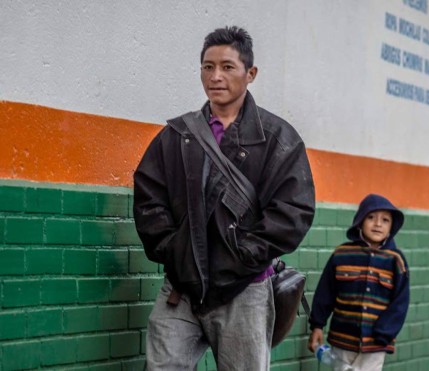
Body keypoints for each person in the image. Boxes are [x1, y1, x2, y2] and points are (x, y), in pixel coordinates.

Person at [133, 26, 315, 370]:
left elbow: (294, 211)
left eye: (227, 67)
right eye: (207, 66)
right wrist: (175, 253)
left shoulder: (279, 139)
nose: (215, 76)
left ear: (250, 73)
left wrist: (245, 258)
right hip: (181, 291)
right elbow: (148, 198)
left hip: (244, 291)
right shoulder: (177, 135)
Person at [307, 194, 410, 371]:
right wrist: (317, 325)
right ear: (360, 220)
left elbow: (400, 302)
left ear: (391, 226)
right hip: (342, 339)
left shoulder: (396, 260)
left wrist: (384, 333)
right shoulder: (341, 254)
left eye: (385, 220)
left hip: (375, 344)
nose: (378, 224)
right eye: (371, 217)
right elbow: (325, 293)